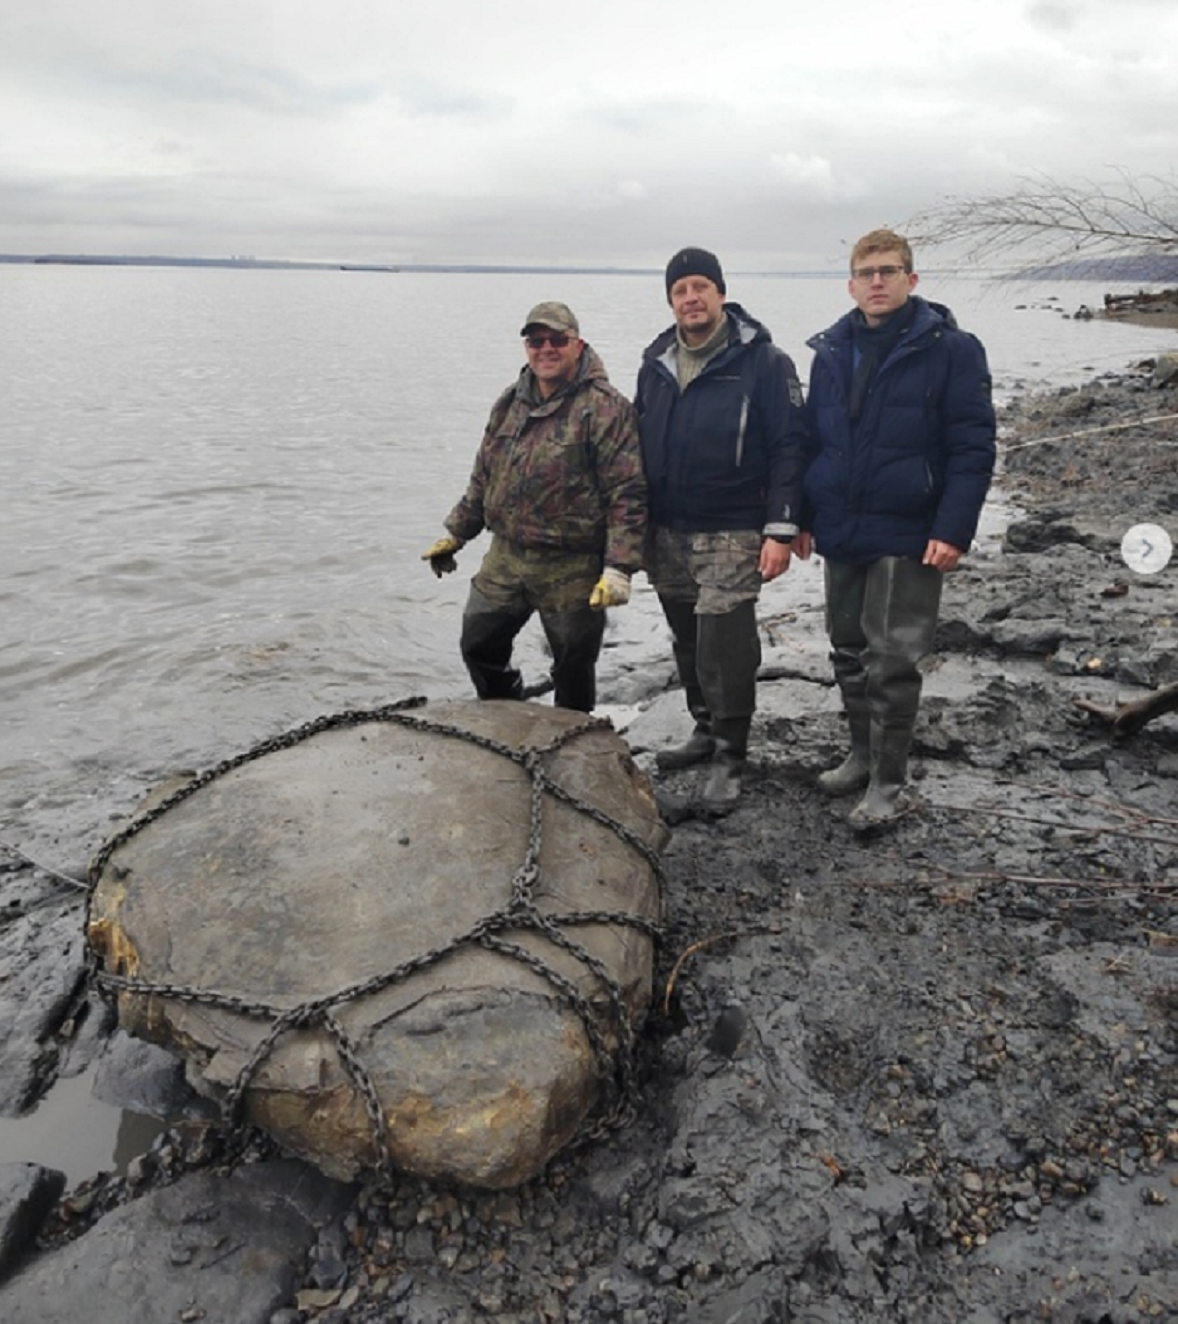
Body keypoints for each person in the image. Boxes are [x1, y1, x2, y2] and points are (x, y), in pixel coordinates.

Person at [802, 228, 997, 828]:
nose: (878, 282)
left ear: (912, 280)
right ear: (851, 284)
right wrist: (804, 518)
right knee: (848, 649)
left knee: (893, 661)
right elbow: (814, 441)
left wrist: (954, 529)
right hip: (842, 526)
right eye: (867, 273)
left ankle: (890, 781)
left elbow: (973, 446)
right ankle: (861, 756)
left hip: (911, 530)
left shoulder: (953, 350)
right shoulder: (831, 351)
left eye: (889, 271)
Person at [635, 247, 808, 815]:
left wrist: (782, 527)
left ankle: (732, 754)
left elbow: (789, 447)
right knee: (687, 640)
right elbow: (635, 446)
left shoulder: (764, 362)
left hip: (734, 527)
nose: (691, 298)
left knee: (725, 645)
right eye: (680, 289)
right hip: (668, 530)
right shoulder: (654, 363)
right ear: (670, 299)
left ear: (721, 294)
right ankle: (704, 729)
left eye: (701, 287)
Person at [421, 301, 646, 713]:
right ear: (526, 347)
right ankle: (507, 712)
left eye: (557, 340)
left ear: (578, 345)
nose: (546, 349)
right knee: (478, 643)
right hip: (506, 556)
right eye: (536, 340)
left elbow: (627, 493)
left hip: (572, 564)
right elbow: (484, 476)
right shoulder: (509, 402)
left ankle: (573, 744)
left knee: (573, 665)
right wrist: (456, 533)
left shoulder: (607, 407)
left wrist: (619, 568)